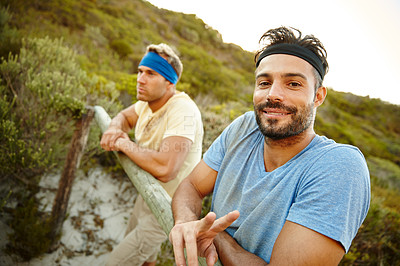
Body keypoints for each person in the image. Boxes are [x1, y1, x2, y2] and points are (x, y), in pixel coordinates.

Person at [169, 26, 370, 265]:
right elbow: (192, 185)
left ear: (318, 96)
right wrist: (185, 224)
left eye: (293, 84)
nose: (273, 95)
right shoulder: (244, 128)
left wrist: (218, 237)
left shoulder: (339, 167)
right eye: (264, 82)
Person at [100, 43, 203, 266]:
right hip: (147, 192)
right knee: (146, 259)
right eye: (139, 71)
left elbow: (166, 169)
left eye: (150, 73)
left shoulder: (182, 110)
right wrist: (114, 128)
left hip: (169, 204)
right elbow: (124, 117)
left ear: (169, 82)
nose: (140, 78)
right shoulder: (147, 103)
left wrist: (124, 145)